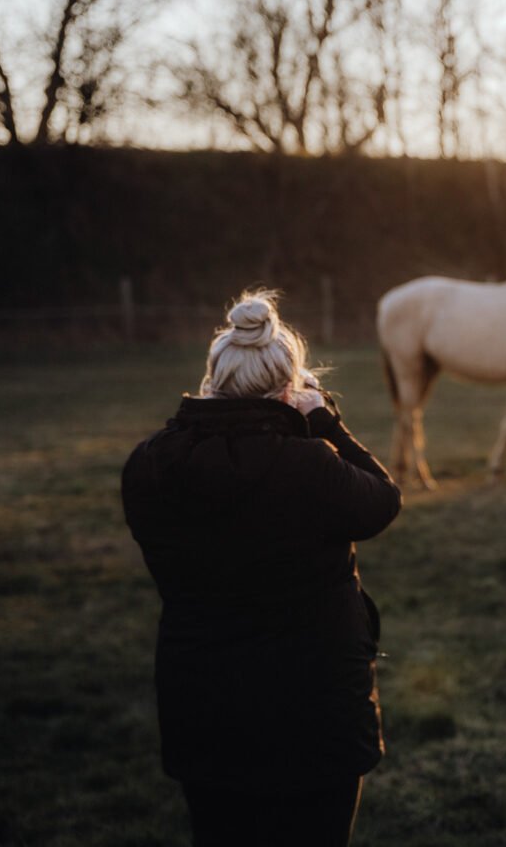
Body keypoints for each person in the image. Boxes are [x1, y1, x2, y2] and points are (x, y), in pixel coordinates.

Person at [121, 289, 402, 846]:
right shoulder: (310, 467)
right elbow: (381, 499)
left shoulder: (150, 464)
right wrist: (324, 421)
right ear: (287, 388)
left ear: (213, 380)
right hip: (315, 709)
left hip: (202, 704)